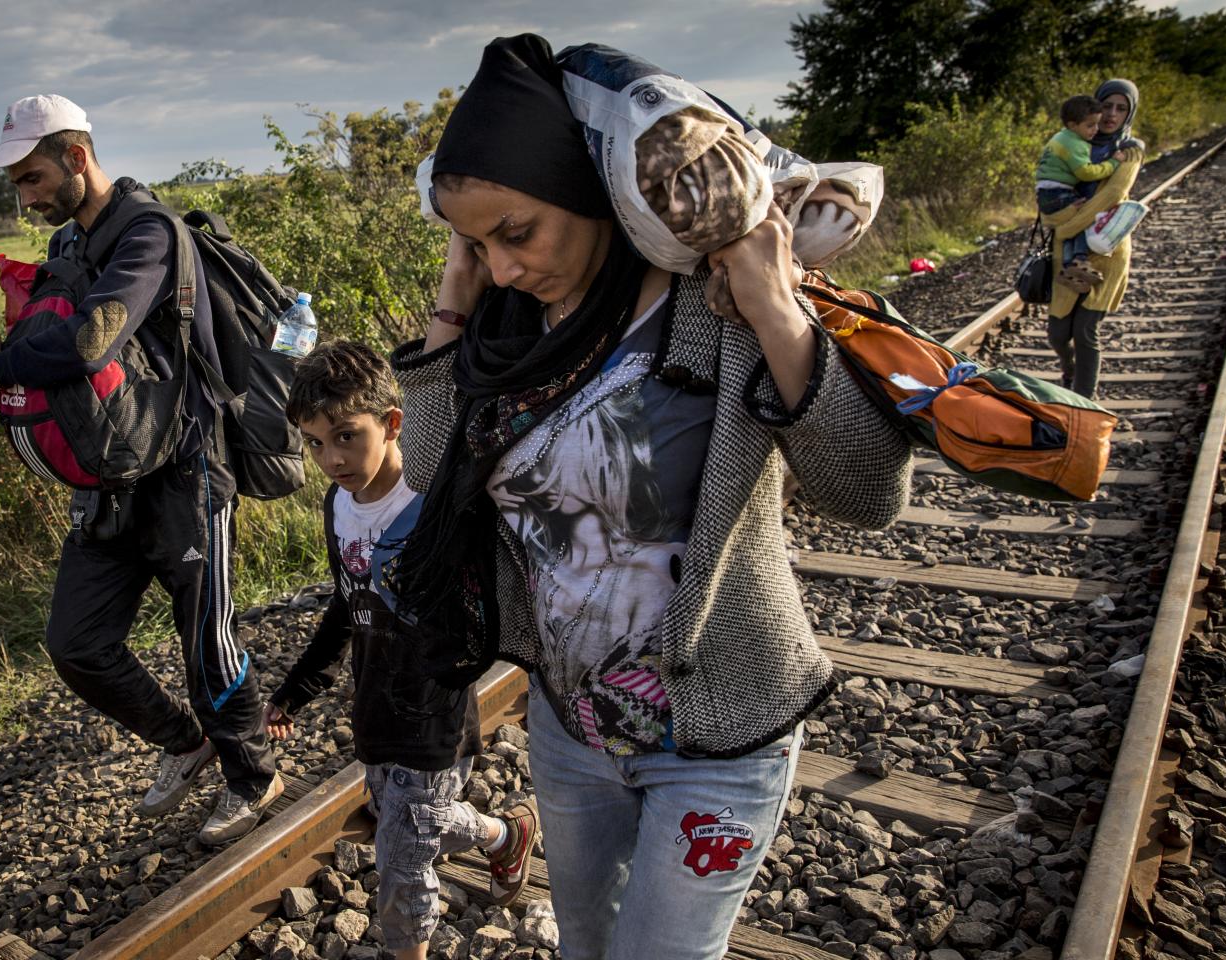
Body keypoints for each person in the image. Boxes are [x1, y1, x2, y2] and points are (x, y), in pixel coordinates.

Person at [388, 35, 913, 960]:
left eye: (518, 232)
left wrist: (776, 307)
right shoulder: (507, 330)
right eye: (476, 242)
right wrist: (453, 304)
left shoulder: (709, 310)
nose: (503, 264)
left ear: (588, 194)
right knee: (587, 944)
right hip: (569, 729)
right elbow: (428, 470)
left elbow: (865, 493)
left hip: (718, 732)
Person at [0, 94, 279, 845]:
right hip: (110, 474)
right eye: (17, 184)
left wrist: (0, 364)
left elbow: (88, 343)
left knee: (206, 634)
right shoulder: (68, 251)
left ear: (77, 157)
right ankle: (187, 742)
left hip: (188, 468)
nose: (26, 196)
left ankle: (252, 774)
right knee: (76, 641)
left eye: (32, 178)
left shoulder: (150, 234)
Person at [262, 340, 540, 960]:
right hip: (376, 708)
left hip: (435, 709)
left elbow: (486, 594)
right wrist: (295, 691)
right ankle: (504, 833)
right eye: (314, 442)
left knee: (401, 864)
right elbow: (346, 605)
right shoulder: (338, 506)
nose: (331, 459)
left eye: (345, 436)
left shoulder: (429, 505)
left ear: (391, 424)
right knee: (416, 822)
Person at [1042, 80, 1143, 399]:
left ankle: (1083, 401)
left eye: (1121, 108)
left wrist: (1066, 226)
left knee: (1085, 331)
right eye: (1107, 105)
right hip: (1067, 251)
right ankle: (1069, 370)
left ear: (1130, 113)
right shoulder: (1074, 143)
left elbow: (1111, 195)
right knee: (1058, 332)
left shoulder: (1129, 150)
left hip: (1106, 249)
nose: (1112, 114)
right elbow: (1048, 184)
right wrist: (1053, 217)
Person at [1035, 95, 1126, 269]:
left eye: (1097, 124)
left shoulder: (1060, 137)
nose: (1095, 130)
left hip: (1045, 192)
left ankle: (1070, 265)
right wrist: (1113, 163)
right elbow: (1086, 173)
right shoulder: (1075, 144)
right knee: (1084, 219)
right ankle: (1079, 259)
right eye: (1090, 125)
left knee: (1071, 227)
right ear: (1072, 125)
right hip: (1058, 193)